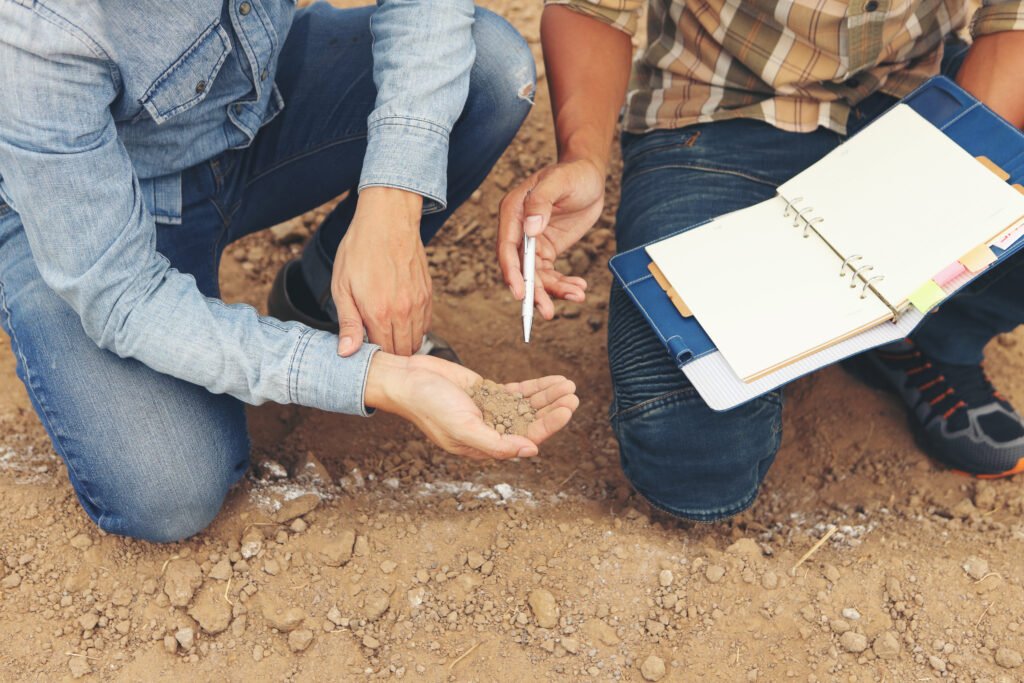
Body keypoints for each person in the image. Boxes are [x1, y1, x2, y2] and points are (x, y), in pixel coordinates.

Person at [0, 0, 578, 543]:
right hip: (91, 207)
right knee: (168, 486)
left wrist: (392, 197)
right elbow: (124, 297)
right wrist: (378, 379)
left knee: (491, 68)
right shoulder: (33, 30)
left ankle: (321, 291)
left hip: (250, 113)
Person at [497, 0, 1024, 522]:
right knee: (692, 455)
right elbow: (592, 9)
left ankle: (930, 332)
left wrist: (943, 188)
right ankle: (822, 329)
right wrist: (583, 157)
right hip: (722, 109)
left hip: (917, 98)